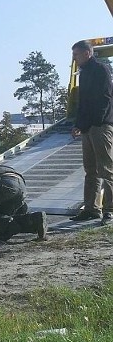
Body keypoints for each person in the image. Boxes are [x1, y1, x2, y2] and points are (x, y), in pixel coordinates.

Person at [69, 40, 113, 224]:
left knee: (107, 170)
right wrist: (78, 124)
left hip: (101, 127)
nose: (75, 58)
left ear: (87, 53)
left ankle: (110, 211)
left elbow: (105, 98)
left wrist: (96, 123)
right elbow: (83, 102)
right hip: (87, 128)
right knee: (90, 170)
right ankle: (91, 209)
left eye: (76, 54)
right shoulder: (83, 73)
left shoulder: (101, 70)